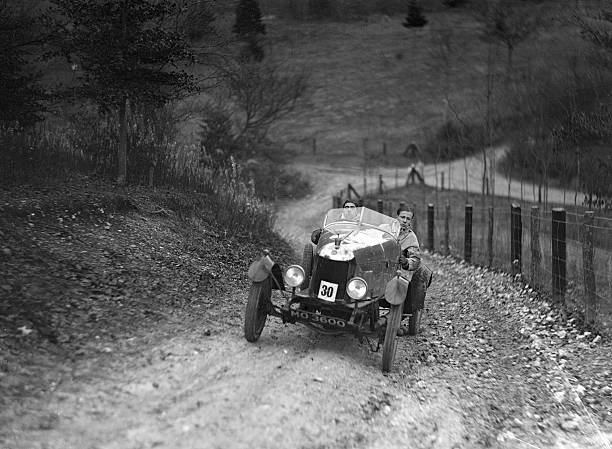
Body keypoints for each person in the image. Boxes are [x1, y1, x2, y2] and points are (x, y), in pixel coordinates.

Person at [397, 206, 421, 273]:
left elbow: (416, 260)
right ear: (397, 217)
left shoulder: (411, 237)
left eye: (408, 219)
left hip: (392, 269)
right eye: (402, 217)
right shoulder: (385, 228)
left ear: (411, 221)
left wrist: (406, 262)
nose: (404, 221)